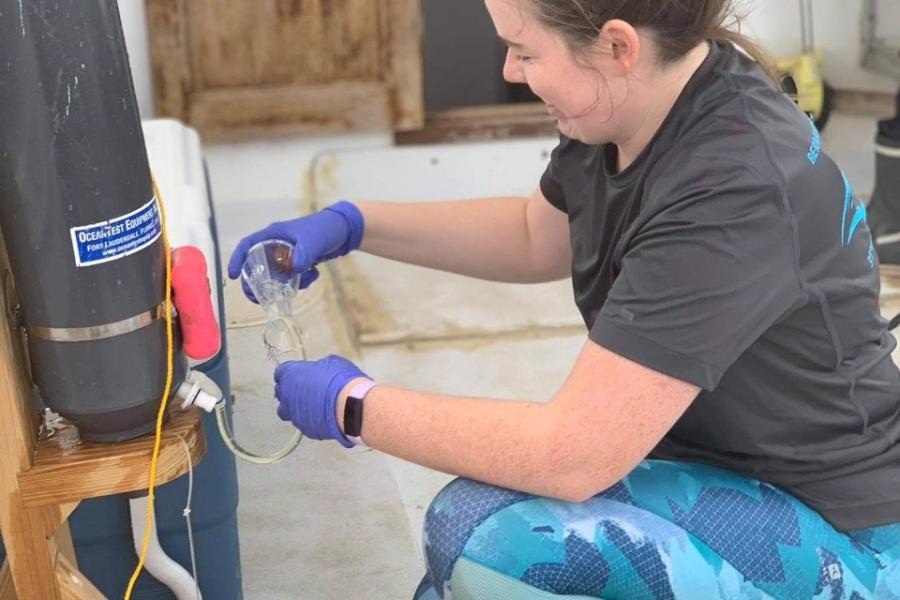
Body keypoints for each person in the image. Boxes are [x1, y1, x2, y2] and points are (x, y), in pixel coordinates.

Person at [228, 0, 900, 597]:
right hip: (731, 471)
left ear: (616, 45)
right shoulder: (632, 106)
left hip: (848, 532)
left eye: (525, 50)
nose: (511, 72)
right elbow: (533, 236)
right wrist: (353, 225)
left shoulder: (731, 187)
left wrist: (355, 406)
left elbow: (572, 454)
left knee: (484, 544)